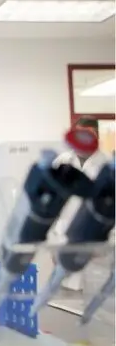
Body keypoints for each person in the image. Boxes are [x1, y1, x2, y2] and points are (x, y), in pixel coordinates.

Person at [50, 116, 110, 290]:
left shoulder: (107, 166)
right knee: (65, 299)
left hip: (96, 247)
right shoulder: (62, 162)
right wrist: (53, 241)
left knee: (93, 296)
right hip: (62, 240)